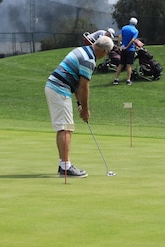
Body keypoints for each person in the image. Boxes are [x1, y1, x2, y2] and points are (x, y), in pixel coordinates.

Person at [45, 35, 114, 178]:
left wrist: (79, 105)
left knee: (65, 127)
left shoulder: (83, 50)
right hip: (59, 88)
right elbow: (84, 87)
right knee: (65, 128)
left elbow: (76, 83)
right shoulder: (89, 60)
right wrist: (86, 110)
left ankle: (63, 165)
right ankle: (65, 167)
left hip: (56, 86)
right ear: (104, 52)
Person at [113, 17, 139, 85]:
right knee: (128, 65)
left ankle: (116, 79)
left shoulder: (124, 28)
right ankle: (128, 80)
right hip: (130, 49)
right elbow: (133, 40)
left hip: (123, 49)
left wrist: (119, 46)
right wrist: (127, 46)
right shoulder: (135, 31)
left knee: (121, 64)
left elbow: (119, 36)